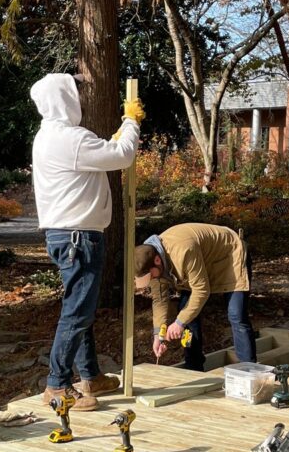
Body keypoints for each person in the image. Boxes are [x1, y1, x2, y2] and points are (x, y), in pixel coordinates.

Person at [30, 72, 144, 411]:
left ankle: (90, 376)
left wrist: (122, 131)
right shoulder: (71, 139)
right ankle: (57, 386)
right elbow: (122, 156)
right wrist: (131, 121)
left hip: (68, 235)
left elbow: (106, 152)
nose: (79, 99)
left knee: (80, 310)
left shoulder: (49, 136)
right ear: (64, 99)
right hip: (78, 237)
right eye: (74, 93)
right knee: (77, 313)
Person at [134, 223, 255, 372]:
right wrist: (158, 333)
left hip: (230, 255)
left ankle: (249, 371)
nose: (151, 278)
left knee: (236, 315)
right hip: (201, 265)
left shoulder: (183, 250)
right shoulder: (150, 262)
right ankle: (194, 367)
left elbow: (202, 290)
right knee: (187, 315)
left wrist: (179, 322)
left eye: (151, 275)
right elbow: (159, 299)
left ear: (157, 261)